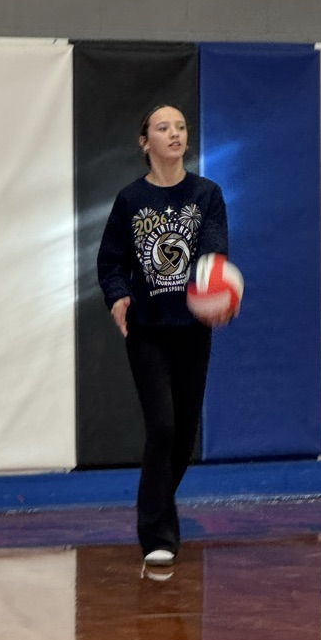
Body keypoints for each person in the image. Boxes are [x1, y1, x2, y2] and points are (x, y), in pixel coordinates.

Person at [97, 105, 231, 569]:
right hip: (148, 329)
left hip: (193, 330)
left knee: (183, 436)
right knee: (163, 426)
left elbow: (214, 247)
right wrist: (117, 295)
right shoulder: (130, 200)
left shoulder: (206, 194)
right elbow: (110, 260)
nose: (174, 134)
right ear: (144, 141)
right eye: (163, 127)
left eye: (180, 127)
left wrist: (215, 287)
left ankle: (153, 506)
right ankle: (157, 530)